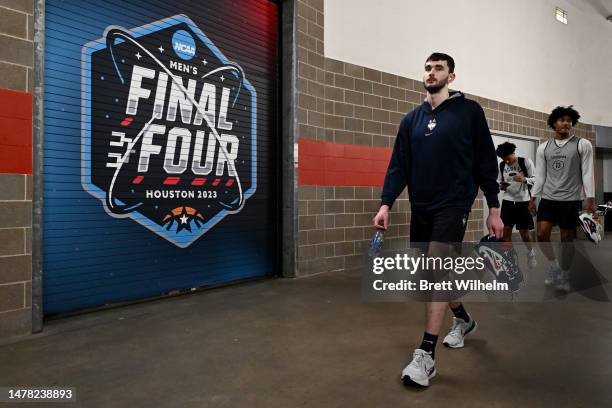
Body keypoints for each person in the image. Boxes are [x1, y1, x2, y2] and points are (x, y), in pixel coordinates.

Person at [372, 52, 503, 387]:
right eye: (428, 68)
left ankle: (426, 355)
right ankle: (463, 319)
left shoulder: (469, 112)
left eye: (439, 68)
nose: (431, 73)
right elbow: (398, 164)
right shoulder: (411, 120)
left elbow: (486, 160)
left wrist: (494, 207)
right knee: (434, 277)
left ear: (452, 76)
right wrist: (386, 203)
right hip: (423, 206)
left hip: (455, 203)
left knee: (436, 267)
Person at [528, 106, 595, 292]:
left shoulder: (582, 144)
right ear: (553, 123)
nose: (566, 123)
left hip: (571, 199)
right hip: (548, 198)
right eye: (561, 120)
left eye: (569, 120)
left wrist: (590, 197)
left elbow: (588, 172)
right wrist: (533, 198)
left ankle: (565, 273)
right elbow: (540, 175)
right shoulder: (544, 148)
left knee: (567, 239)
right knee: (541, 235)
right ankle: (553, 264)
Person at [495, 142, 538, 268]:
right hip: (508, 201)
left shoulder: (525, 162)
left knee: (524, 233)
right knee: (506, 232)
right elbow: (498, 180)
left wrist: (524, 179)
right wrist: (501, 185)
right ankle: (509, 258)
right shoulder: (502, 165)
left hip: (523, 202)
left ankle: (531, 253)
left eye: (508, 158)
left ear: (513, 153)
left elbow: (536, 179)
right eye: (504, 159)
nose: (506, 161)